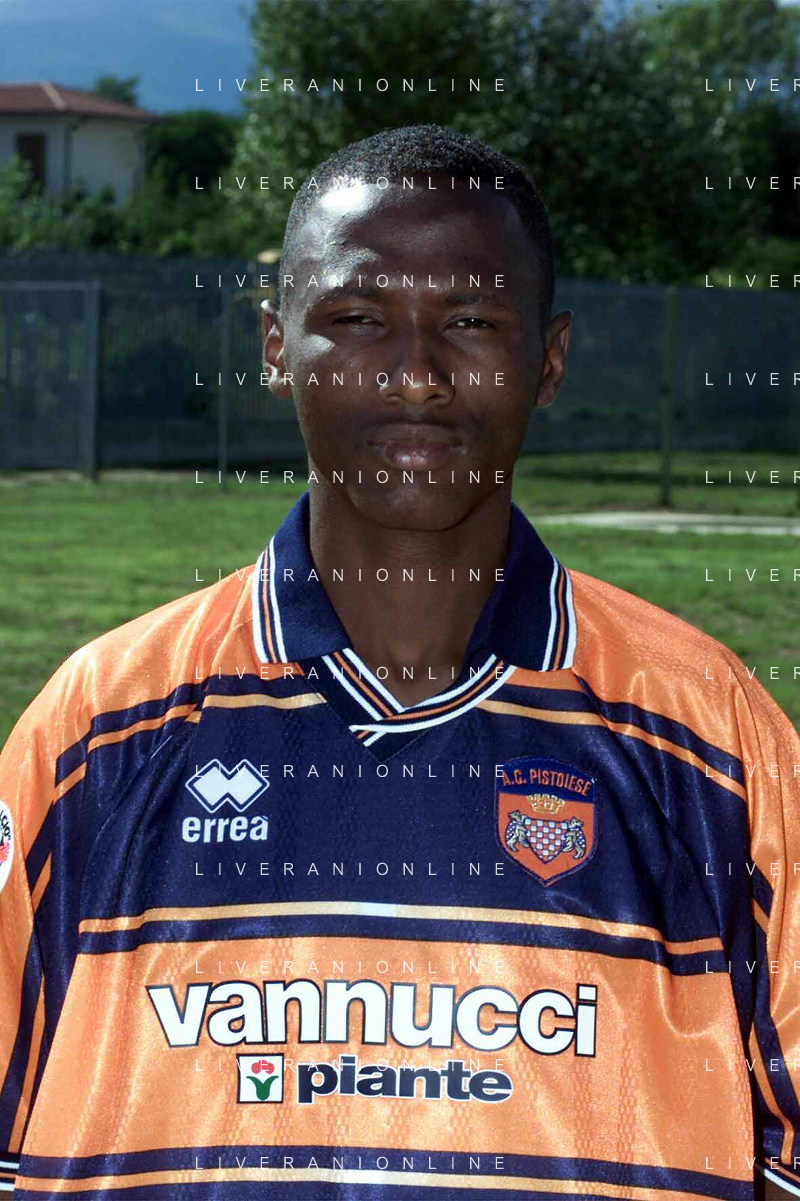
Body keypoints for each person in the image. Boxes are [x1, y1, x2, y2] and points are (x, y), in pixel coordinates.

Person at [0, 124, 797, 1201]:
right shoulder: (98, 730)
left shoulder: (708, 733)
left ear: (549, 359)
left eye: (471, 321)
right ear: (274, 344)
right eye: (356, 319)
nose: (417, 376)